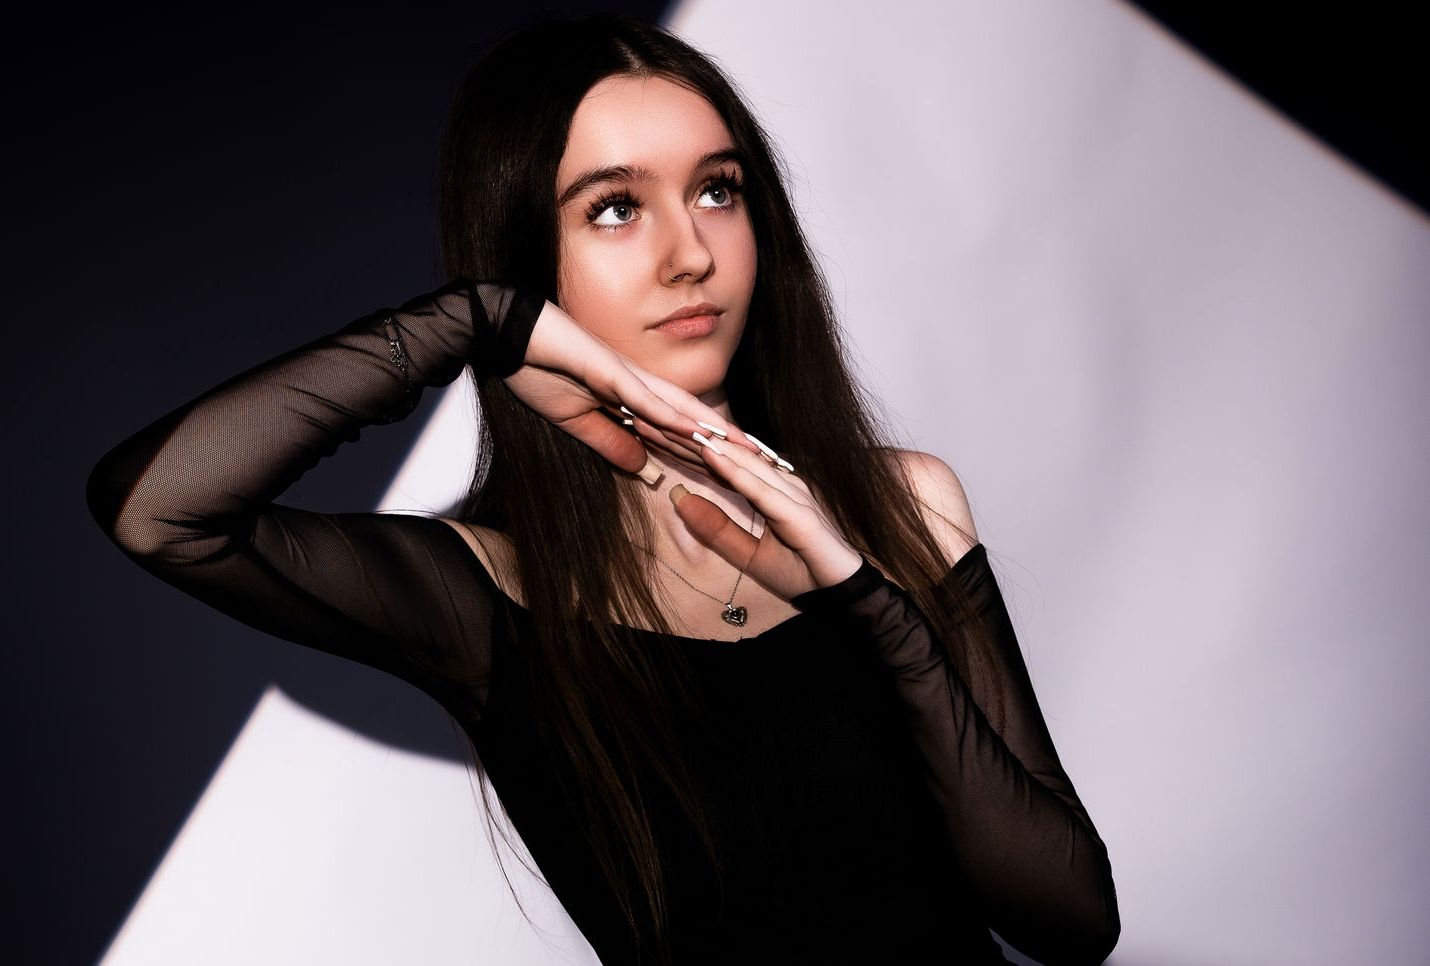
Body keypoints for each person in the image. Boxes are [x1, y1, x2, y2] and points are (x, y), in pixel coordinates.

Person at [88, 14, 1119, 966]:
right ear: (528, 256)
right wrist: (473, 324)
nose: (691, 254)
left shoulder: (906, 506)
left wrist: (863, 597)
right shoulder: (483, 593)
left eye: (718, 189)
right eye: (615, 209)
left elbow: (1071, 923)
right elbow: (156, 510)